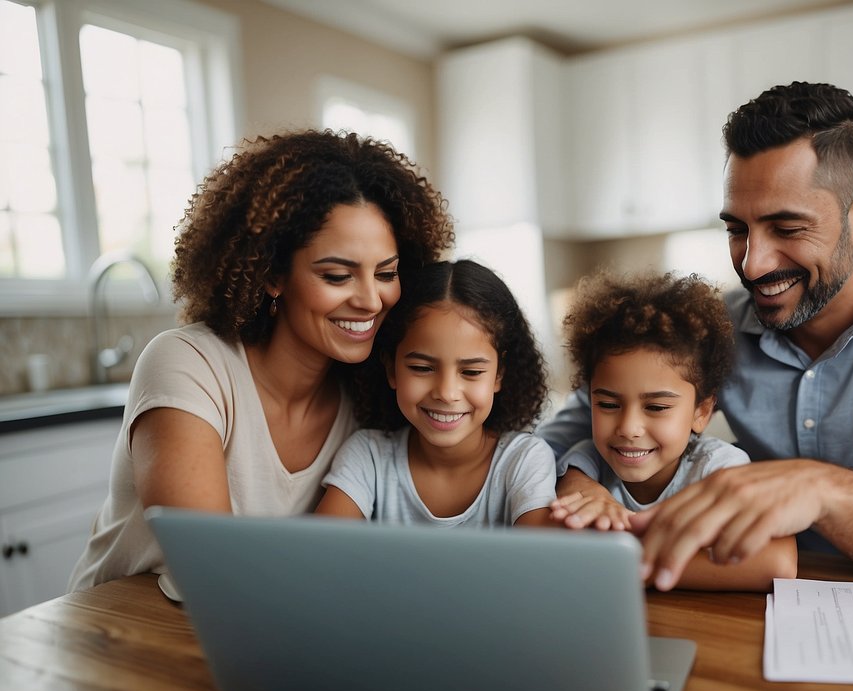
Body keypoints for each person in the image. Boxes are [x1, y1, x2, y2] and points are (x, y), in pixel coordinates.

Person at [540, 81, 853, 591]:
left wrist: (821, 488)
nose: (752, 262)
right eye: (737, 229)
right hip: (800, 596)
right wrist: (579, 477)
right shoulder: (706, 330)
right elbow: (555, 444)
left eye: (787, 228)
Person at [69, 130, 454, 590]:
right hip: (121, 634)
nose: (372, 300)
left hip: (257, 628)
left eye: (387, 274)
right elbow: (212, 562)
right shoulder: (189, 364)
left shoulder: (373, 392)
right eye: (337, 275)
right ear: (272, 274)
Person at [554, 269, 798, 590]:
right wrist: (578, 489)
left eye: (656, 407)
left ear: (702, 412)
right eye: (609, 405)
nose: (628, 428)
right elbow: (567, 494)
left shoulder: (717, 469)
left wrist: (620, 561)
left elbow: (777, 563)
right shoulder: (586, 462)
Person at [315, 259, 556, 527]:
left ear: (499, 374)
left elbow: (539, 565)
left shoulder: (523, 461)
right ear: (391, 370)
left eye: (472, 372)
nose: (446, 393)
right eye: (422, 368)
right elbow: (319, 555)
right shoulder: (368, 456)